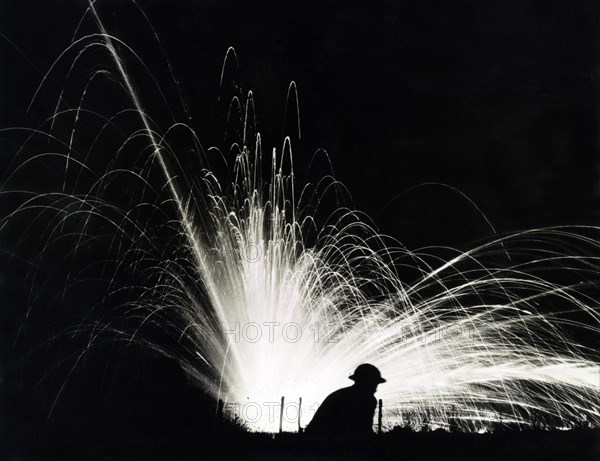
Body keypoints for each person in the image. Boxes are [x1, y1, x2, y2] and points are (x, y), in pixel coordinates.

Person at [305, 363, 386, 438]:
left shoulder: (341, 394)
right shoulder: (365, 400)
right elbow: (360, 430)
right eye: (373, 383)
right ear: (365, 382)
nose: (375, 387)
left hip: (319, 438)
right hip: (327, 441)